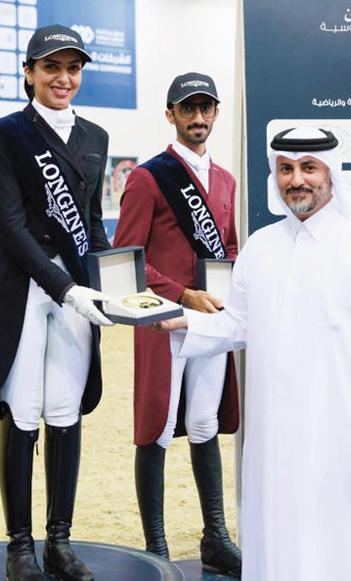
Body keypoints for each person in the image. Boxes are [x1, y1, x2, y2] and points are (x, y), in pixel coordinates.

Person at [157, 126, 351, 581]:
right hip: (277, 446)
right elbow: (240, 322)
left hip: (349, 446)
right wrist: (183, 322)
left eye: (308, 168)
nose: (296, 180)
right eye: (285, 169)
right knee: (280, 545)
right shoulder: (262, 247)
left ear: (331, 174)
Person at [0, 25, 113, 581]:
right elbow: (11, 223)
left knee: (66, 411)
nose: (63, 78)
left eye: (73, 68)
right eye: (51, 68)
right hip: (26, 286)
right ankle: (19, 546)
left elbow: (93, 221)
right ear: (29, 72)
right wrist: (65, 286)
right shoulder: (4, 132)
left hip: (76, 288)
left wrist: (113, 283)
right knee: (25, 410)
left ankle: (60, 541)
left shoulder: (95, 136)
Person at [112, 73, 241, 575]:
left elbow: (226, 250)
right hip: (166, 320)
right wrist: (180, 293)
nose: (199, 118)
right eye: (188, 109)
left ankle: (215, 535)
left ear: (216, 112)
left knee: (206, 423)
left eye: (206, 108)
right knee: (159, 429)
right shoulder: (148, 178)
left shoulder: (226, 180)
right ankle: (157, 549)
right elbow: (126, 256)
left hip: (211, 323)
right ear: (170, 115)